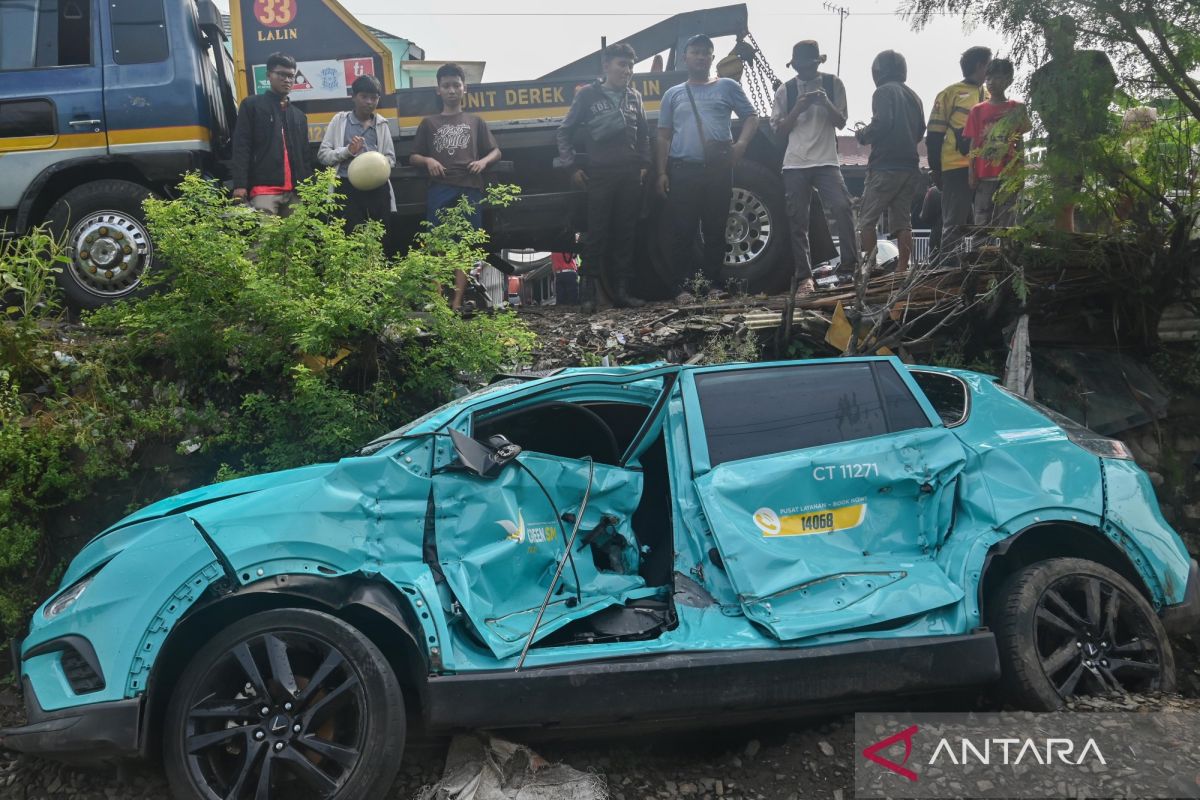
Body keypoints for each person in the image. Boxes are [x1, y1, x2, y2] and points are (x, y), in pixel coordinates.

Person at [656, 34, 759, 303]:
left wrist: (742, 145)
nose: (701, 57)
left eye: (706, 52)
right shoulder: (673, 94)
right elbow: (663, 136)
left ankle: (714, 285)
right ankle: (682, 288)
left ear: (713, 58)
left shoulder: (727, 86)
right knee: (683, 231)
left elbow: (751, 116)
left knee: (715, 229)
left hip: (718, 169)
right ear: (685, 57)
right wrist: (661, 172)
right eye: (696, 52)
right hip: (683, 169)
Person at [556, 41, 651, 312]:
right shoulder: (587, 95)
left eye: (631, 66)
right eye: (622, 64)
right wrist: (572, 167)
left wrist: (645, 163)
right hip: (600, 176)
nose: (627, 70)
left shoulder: (635, 97)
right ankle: (587, 295)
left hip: (630, 176)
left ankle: (621, 292)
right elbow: (564, 132)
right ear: (606, 66)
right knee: (596, 234)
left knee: (626, 233)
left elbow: (644, 133)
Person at [410, 63, 502, 310]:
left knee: (463, 247)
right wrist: (428, 160)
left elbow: (496, 151)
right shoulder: (429, 123)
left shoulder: (475, 122)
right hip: (439, 188)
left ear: (465, 89)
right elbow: (414, 156)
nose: (451, 90)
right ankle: (438, 300)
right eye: (446, 86)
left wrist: (482, 162)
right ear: (438, 90)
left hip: (470, 187)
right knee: (437, 245)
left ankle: (456, 302)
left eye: (456, 85)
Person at [770, 40, 856, 297]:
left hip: (827, 161)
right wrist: (798, 108)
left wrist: (825, 102)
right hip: (795, 163)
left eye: (810, 65)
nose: (805, 71)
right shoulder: (786, 90)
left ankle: (850, 268)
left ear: (817, 63)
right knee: (798, 220)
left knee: (843, 207)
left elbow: (841, 122)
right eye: (801, 67)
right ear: (795, 66)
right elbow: (778, 132)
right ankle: (805, 277)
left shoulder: (833, 84)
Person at [1029, 16, 1118, 232]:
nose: (1051, 44)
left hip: (1099, 135)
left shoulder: (1097, 59)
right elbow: (1044, 113)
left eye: (1056, 38)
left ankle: (1110, 235)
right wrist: (1067, 131)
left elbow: (1106, 94)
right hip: (1062, 142)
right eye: (1047, 39)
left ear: (1072, 35)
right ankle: (1067, 248)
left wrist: (1087, 124)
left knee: (1129, 185)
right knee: (1063, 199)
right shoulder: (1041, 75)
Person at [854, 50, 925, 276]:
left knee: (866, 220)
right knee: (903, 221)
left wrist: (863, 134)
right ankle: (903, 269)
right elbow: (920, 130)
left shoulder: (883, 92)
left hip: (885, 166)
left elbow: (882, 123)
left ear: (878, 71)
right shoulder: (914, 96)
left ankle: (870, 268)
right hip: (910, 166)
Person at [927, 46, 991, 256]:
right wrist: (936, 168)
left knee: (984, 220)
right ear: (980, 65)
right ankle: (947, 269)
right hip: (957, 167)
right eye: (988, 65)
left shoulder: (990, 96)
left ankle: (982, 266)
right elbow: (934, 135)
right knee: (954, 222)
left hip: (985, 169)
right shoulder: (950, 93)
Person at [230, 52, 312, 216]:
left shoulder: (299, 116)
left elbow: (305, 156)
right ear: (268, 75)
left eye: (291, 76)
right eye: (281, 74)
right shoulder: (252, 105)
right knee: (264, 240)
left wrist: (308, 190)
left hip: (295, 193)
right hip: (264, 190)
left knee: (295, 241)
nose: (287, 80)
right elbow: (241, 146)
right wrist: (240, 185)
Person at [318, 74, 397, 233]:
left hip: (377, 189)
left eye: (374, 98)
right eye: (364, 96)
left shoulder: (381, 124)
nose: (369, 102)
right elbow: (323, 155)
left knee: (380, 235)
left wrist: (377, 164)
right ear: (353, 97)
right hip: (346, 188)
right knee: (350, 236)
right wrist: (348, 151)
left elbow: (390, 159)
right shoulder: (340, 121)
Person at [964, 58, 1030, 228]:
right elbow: (973, 144)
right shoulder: (977, 110)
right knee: (981, 220)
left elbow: (1020, 143)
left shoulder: (1017, 108)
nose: (992, 83)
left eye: (998, 78)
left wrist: (1021, 172)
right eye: (988, 78)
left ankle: (1005, 254)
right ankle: (982, 254)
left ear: (1009, 80)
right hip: (984, 175)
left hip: (1009, 175)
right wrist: (971, 172)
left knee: (1007, 221)